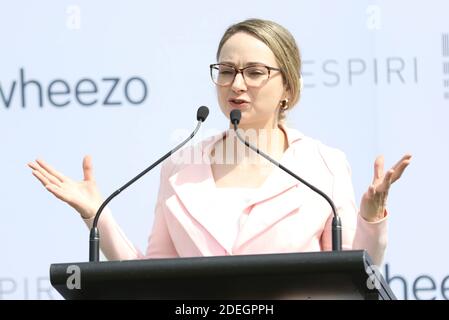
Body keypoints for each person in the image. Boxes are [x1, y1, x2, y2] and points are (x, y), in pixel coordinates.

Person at [28, 18, 411, 266]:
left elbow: (350, 272)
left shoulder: (322, 164)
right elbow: (153, 278)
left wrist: (371, 218)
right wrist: (98, 216)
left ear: (288, 88)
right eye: (226, 71)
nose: (237, 84)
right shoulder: (181, 166)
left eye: (254, 72)